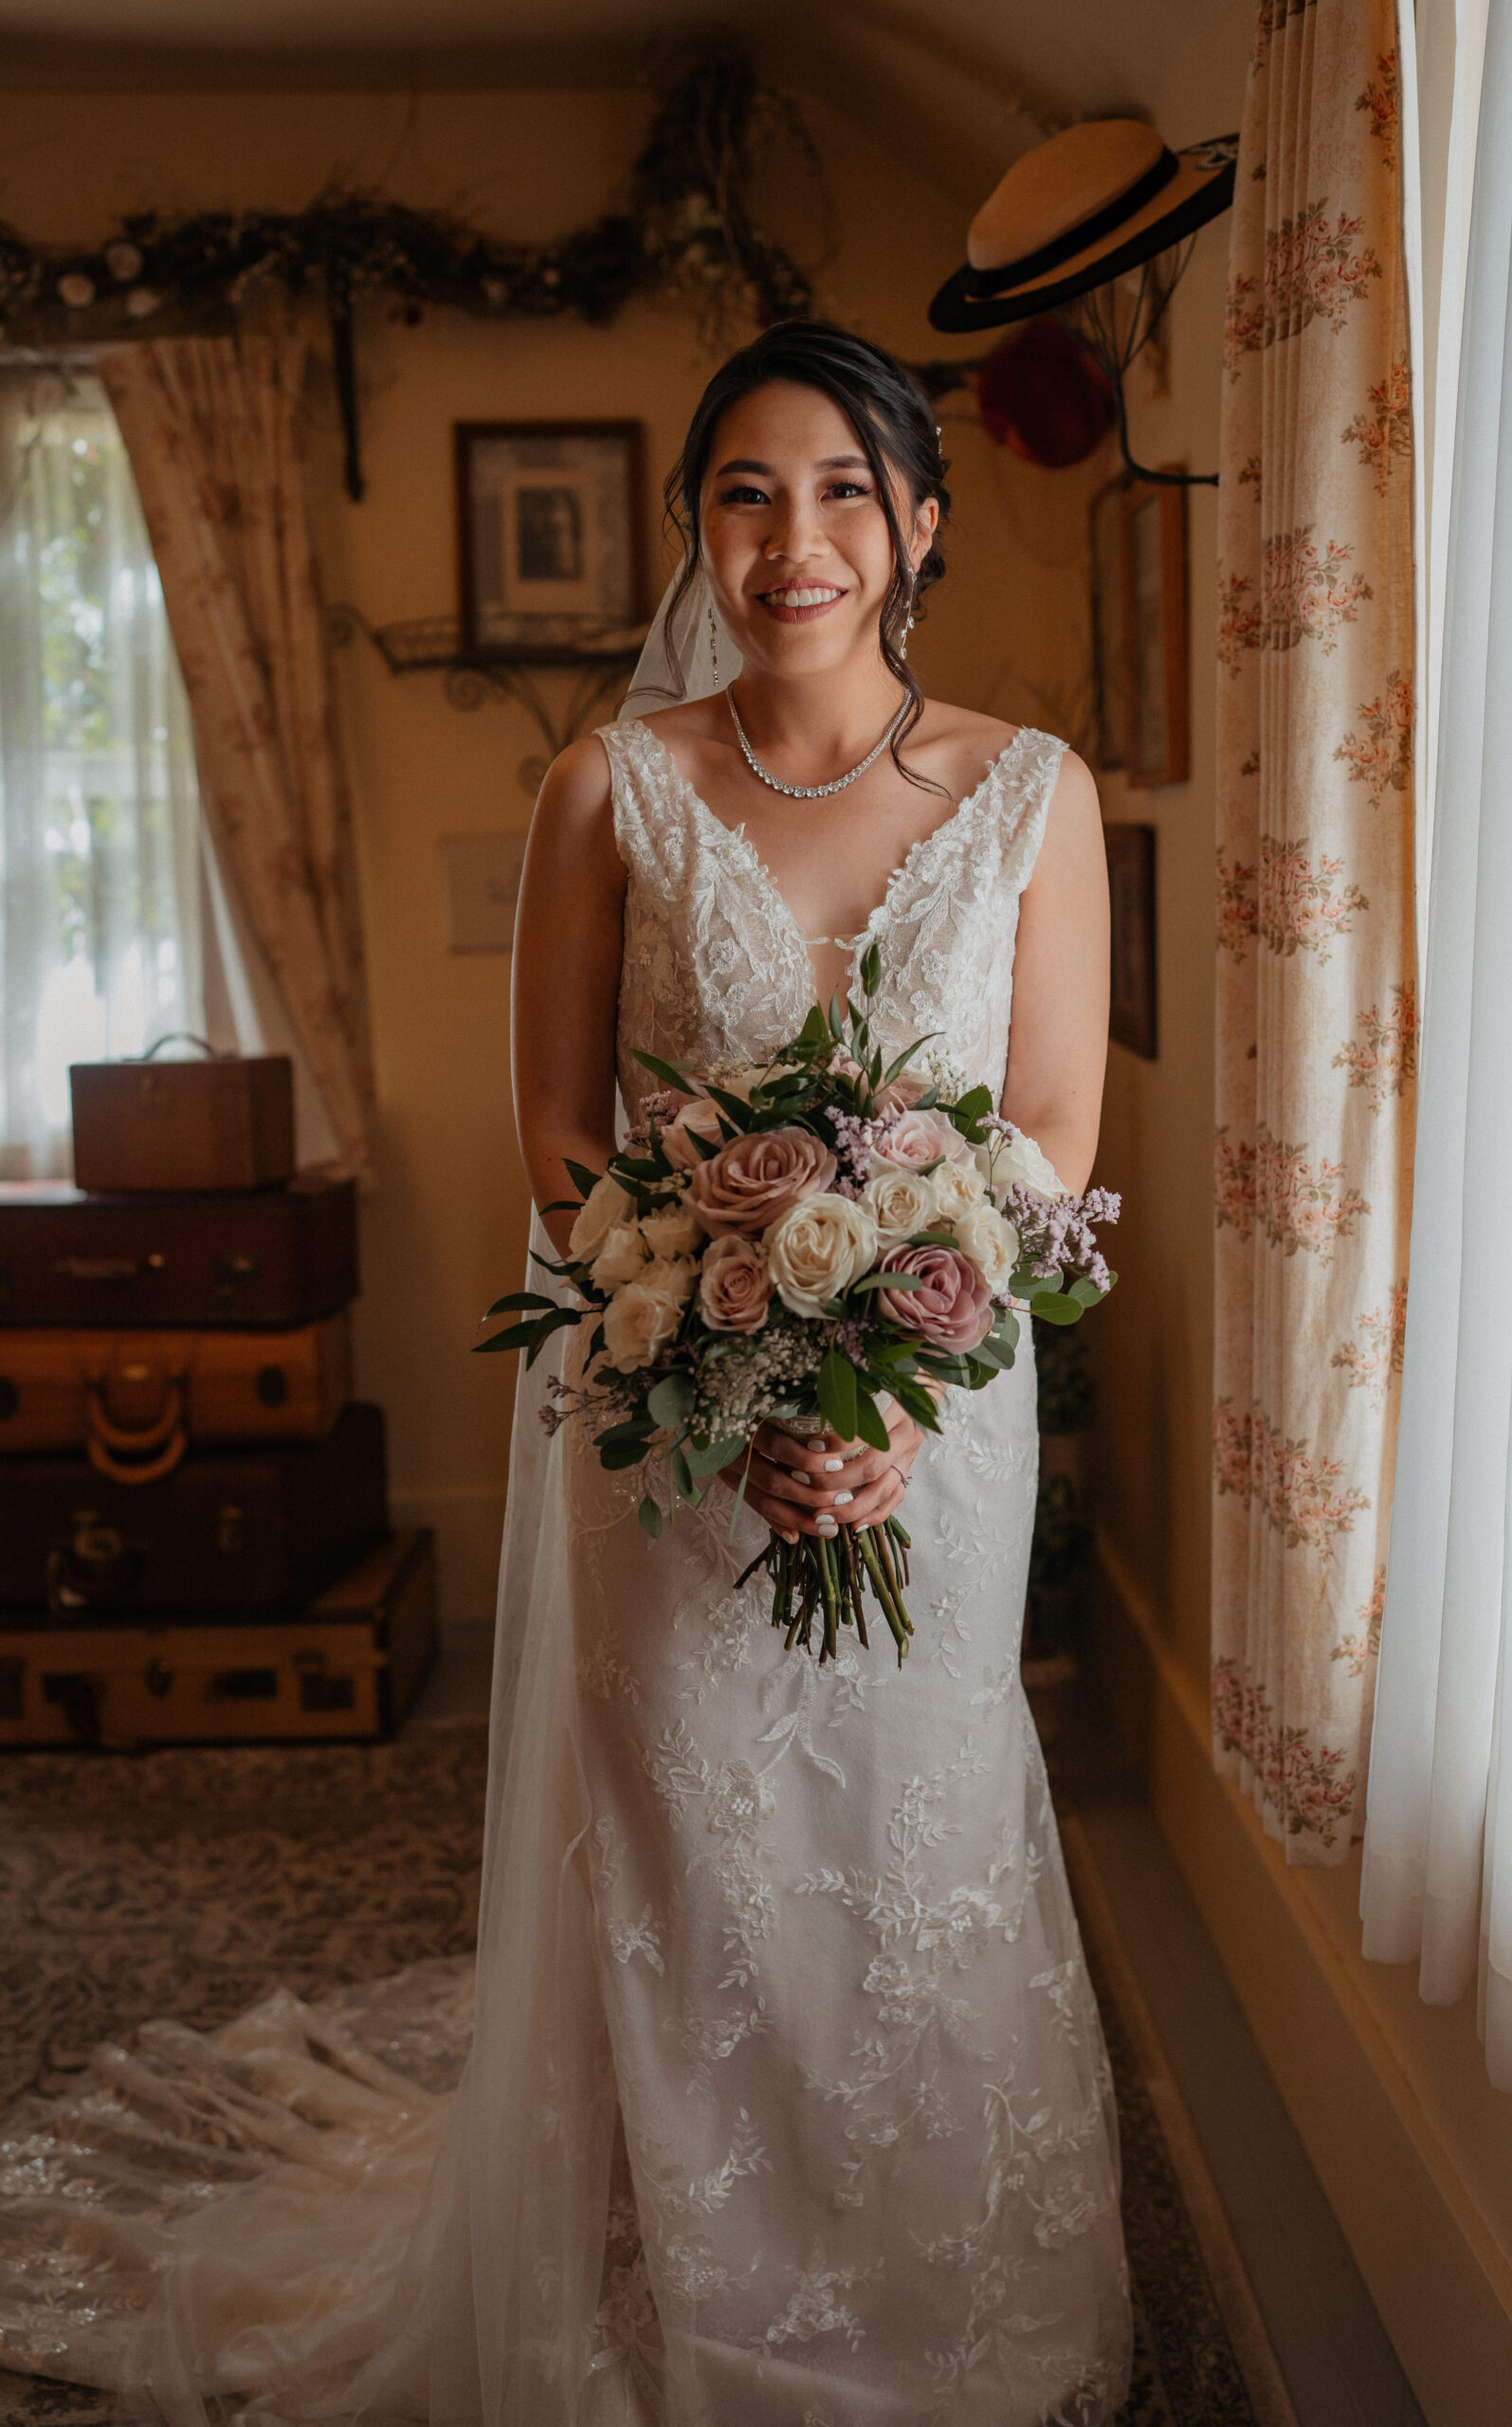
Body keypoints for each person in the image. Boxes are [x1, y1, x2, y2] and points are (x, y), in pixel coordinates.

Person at [0, 322, 1129, 2427]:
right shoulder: (605, 786)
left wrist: (883, 1364)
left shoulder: (1029, 791)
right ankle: (666, 2314)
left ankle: (909, 2304)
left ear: (918, 527)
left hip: (936, 1412)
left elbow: (1048, 1127)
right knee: (691, 1861)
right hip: (673, 1411)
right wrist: (730, 1318)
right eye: (744, 493)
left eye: (839, 492)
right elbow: (556, 1132)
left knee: (912, 1833)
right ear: (698, 530)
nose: (791, 537)